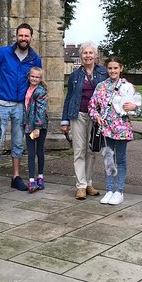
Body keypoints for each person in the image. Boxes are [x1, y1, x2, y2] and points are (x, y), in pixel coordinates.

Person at [0, 23, 42, 191]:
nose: (23, 38)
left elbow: (38, 83)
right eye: (20, 35)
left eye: (26, 36)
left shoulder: (34, 58)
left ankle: (15, 177)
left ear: (31, 37)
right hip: (1, 104)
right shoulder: (4, 53)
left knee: (18, 143)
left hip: (21, 106)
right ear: (16, 36)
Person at [88, 56, 140, 205]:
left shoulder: (128, 87)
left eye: (115, 68)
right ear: (106, 69)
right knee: (108, 159)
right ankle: (110, 189)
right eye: (110, 68)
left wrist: (134, 107)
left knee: (121, 160)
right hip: (106, 128)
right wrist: (96, 116)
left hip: (122, 129)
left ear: (121, 68)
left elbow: (137, 109)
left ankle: (119, 191)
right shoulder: (101, 86)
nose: (112, 71)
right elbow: (92, 106)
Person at [61, 42, 108, 200]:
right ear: (81, 56)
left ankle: (89, 183)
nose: (88, 55)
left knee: (92, 150)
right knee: (79, 150)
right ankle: (80, 186)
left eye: (90, 53)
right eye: (84, 53)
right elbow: (68, 98)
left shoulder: (103, 73)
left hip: (97, 117)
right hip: (78, 114)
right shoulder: (75, 75)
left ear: (95, 55)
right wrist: (64, 121)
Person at [23, 67, 49, 193]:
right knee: (31, 153)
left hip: (39, 126)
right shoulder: (27, 89)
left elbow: (41, 110)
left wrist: (38, 127)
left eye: (37, 77)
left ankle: (40, 177)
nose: (34, 79)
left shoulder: (40, 91)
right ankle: (31, 180)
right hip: (28, 125)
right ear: (29, 77)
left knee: (39, 151)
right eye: (33, 76)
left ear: (40, 79)